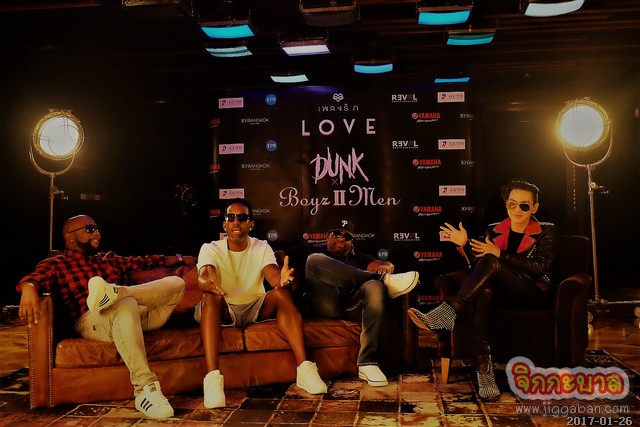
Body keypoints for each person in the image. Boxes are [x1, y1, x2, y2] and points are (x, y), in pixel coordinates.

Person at [16, 214, 195, 419]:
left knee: (176, 284)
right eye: (89, 229)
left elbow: (145, 261)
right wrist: (28, 287)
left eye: (97, 228)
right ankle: (145, 389)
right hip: (91, 319)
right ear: (70, 237)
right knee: (126, 304)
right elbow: (36, 278)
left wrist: (180, 258)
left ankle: (116, 292)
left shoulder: (108, 259)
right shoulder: (57, 263)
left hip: (132, 317)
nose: (96, 232)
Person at [407, 179, 557, 399]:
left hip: (531, 292)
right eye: (512, 204)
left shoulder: (547, 231)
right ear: (506, 204)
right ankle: (484, 372)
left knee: (491, 259)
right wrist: (464, 243)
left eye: (524, 205)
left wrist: (499, 254)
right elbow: (477, 268)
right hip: (499, 294)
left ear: (534, 207)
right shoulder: (493, 230)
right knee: (483, 291)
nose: (517, 209)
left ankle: (448, 311)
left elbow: (540, 267)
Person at [195, 198, 327, 409]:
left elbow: (273, 275)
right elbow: (204, 276)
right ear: (224, 223)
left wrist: (282, 279)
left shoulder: (261, 246)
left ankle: (305, 369)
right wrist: (206, 283)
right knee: (211, 297)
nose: (236, 222)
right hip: (223, 307)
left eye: (242, 217)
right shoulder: (210, 248)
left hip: (254, 307)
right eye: (231, 217)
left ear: (251, 224)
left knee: (282, 294)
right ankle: (212, 380)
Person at [286, 219, 419, 387]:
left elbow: (383, 263)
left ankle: (368, 363)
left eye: (347, 237)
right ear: (327, 237)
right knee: (314, 260)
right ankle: (384, 279)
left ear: (352, 242)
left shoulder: (359, 258)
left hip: (351, 306)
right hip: (324, 304)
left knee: (375, 286)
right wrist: (281, 274)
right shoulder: (311, 251)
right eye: (336, 235)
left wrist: (387, 267)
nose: (341, 239)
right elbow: (277, 256)